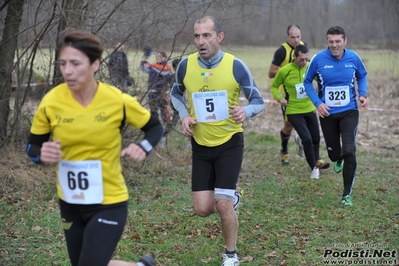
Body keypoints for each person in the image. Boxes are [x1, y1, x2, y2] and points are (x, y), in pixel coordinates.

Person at [25, 29, 163, 266]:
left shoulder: (116, 100)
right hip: (69, 203)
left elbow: (155, 128)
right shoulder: (51, 101)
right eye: (63, 63)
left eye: (76, 63)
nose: (68, 71)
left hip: (109, 201)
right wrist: (41, 155)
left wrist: (144, 147)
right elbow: (32, 148)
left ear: (95, 64)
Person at [170, 16, 264, 265]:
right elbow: (175, 94)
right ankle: (233, 198)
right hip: (200, 145)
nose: (201, 41)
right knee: (202, 209)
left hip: (230, 142)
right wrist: (184, 116)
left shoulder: (236, 66)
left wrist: (246, 112)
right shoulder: (185, 66)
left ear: (219, 37)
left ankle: (231, 255)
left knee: (222, 205)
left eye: (206, 35)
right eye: (197, 36)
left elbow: (258, 101)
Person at [304, 26, 368, 206]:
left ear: (344, 41)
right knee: (334, 155)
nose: (334, 45)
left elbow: (362, 75)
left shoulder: (353, 58)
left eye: (338, 41)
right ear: (327, 42)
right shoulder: (318, 59)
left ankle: (346, 194)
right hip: (328, 113)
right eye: (331, 42)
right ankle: (336, 158)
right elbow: (307, 81)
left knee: (350, 151)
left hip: (349, 111)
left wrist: (362, 93)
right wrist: (318, 103)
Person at [270, 45, 330, 179]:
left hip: (309, 108)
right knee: (307, 139)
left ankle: (314, 158)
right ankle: (314, 167)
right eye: (301, 60)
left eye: (306, 59)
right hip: (293, 110)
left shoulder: (310, 67)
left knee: (315, 138)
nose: (304, 63)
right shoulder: (284, 71)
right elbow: (274, 86)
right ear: (294, 57)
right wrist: (280, 98)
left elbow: (321, 80)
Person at [268, 24, 307, 165]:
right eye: (293, 37)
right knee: (289, 126)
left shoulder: (303, 47)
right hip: (288, 95)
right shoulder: (281, 51)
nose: (296, 40)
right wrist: (287, 71)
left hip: (302, 93)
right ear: (287, 37)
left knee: (307, 122)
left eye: (298, 37)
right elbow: (271, 73)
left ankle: (305, 145)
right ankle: (284, 151)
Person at [140, 51, 172, 124]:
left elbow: (162, 71)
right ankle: (155, 123)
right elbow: (145, 69)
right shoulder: (155, 66)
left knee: (163, 107)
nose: (158, 58)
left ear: (165, 58)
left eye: (160, 56)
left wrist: (152, 64)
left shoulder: (166, 67)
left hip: (161, 91)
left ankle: (166, 122)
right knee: (153, 108)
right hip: (152, 90)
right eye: (157, 56)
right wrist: (143, 63)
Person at [159, 58, 181, 148]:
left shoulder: (185, 76)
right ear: (175, 67)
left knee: (176, 120)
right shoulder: (172, 77)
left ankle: (162, 136)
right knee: (177, 119)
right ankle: (162, 136)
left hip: (184, 101)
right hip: (175, 101)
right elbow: (161, 85)